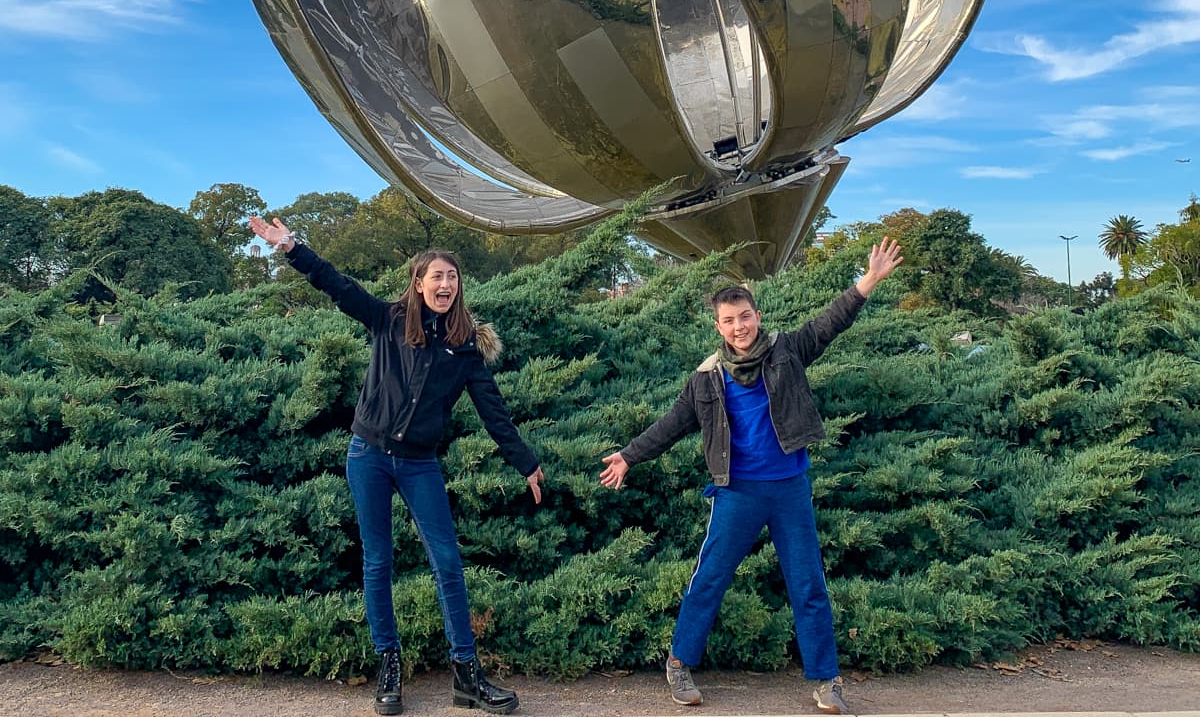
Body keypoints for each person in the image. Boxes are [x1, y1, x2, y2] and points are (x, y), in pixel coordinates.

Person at [250, 216, 543, 716]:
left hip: (419, 464)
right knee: (378, 563)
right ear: (418, 283)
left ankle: (467, 676)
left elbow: (494, 412)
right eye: (437, 277)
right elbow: (337, 285)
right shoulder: (386, 319)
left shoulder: (465, 346)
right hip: (368, 457)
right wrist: (292, 247)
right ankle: (389, 666)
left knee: (448, 563)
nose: (445, 284)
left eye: (452, 278)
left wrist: (527, 463)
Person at [599, 237, 903, 712]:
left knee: (808, 585)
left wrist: (869, 280)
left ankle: (826, 680)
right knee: (711, 577)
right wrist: (628, 457)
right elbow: (672, 425)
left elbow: (830, 323)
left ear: (756, 315)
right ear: (718, 327)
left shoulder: (788, 351)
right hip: (737, 492)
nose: (739, 327)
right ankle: (679, 663)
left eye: (745, 317)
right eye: (729, 321)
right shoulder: (706, 378)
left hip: (789, 490)